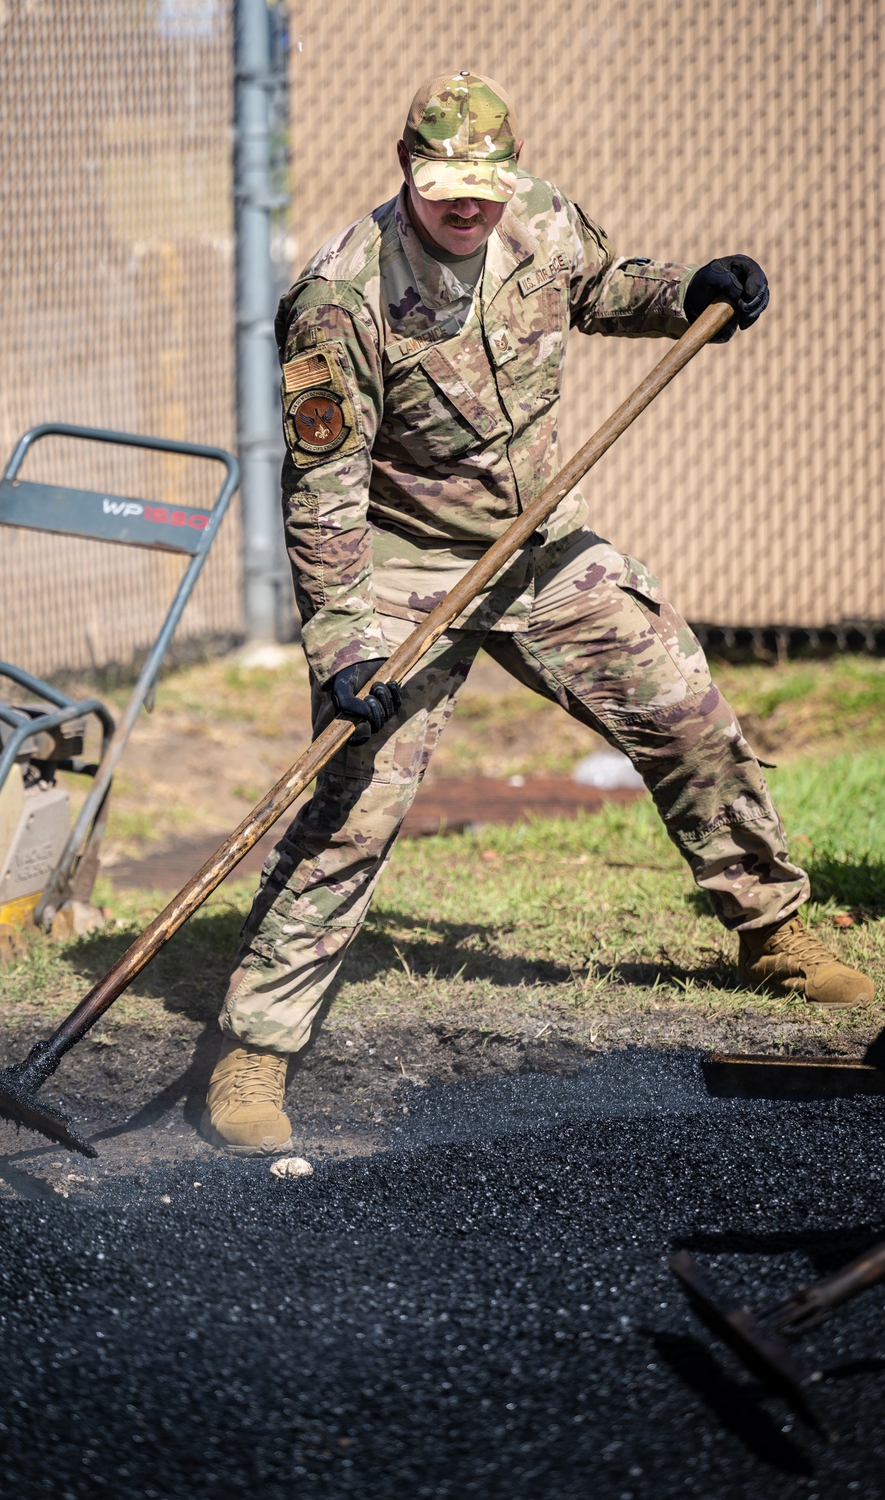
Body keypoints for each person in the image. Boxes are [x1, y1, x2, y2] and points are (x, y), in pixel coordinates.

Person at [205, 71, 874, 1155]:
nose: (466, 206)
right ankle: (254, 1046)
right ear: (405, 172)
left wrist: (690, 289)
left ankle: (771, 931)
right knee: (355, 801)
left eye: (484, 185)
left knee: (684, 709)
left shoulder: (541, 222)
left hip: (540, 547)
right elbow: (322, 489)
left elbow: (607, 286)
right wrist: (344, 649)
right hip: (400, 560)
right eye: (443, 188)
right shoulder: (341, 298)